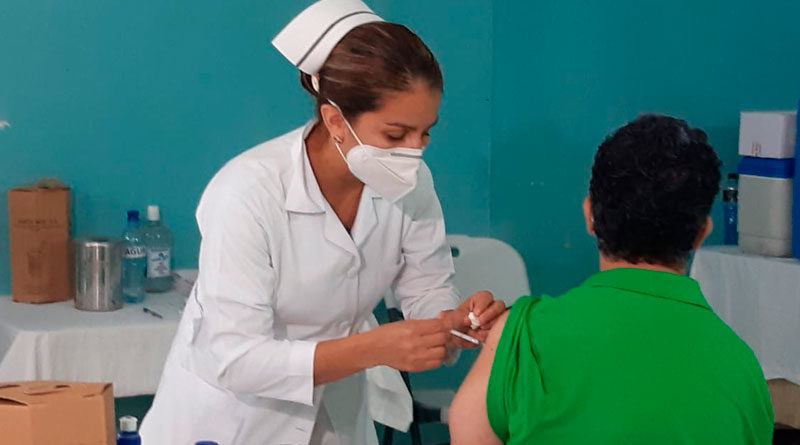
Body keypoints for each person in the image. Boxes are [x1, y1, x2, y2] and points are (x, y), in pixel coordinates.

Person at [139, 1, 504, 444]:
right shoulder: (248, 193)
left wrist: (452, 323)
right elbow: (236, 359)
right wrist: (377, 347)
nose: (415, 150)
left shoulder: (413, 182)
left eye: (425, 132)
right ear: (335, 120)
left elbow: (426, 288)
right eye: (395, 134)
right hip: (231, 421)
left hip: (336, 414)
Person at [449, 114, 774, 444]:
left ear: (590, 216)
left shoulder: (521, 335)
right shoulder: (741, 370)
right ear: (702, 233)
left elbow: (468, 433)